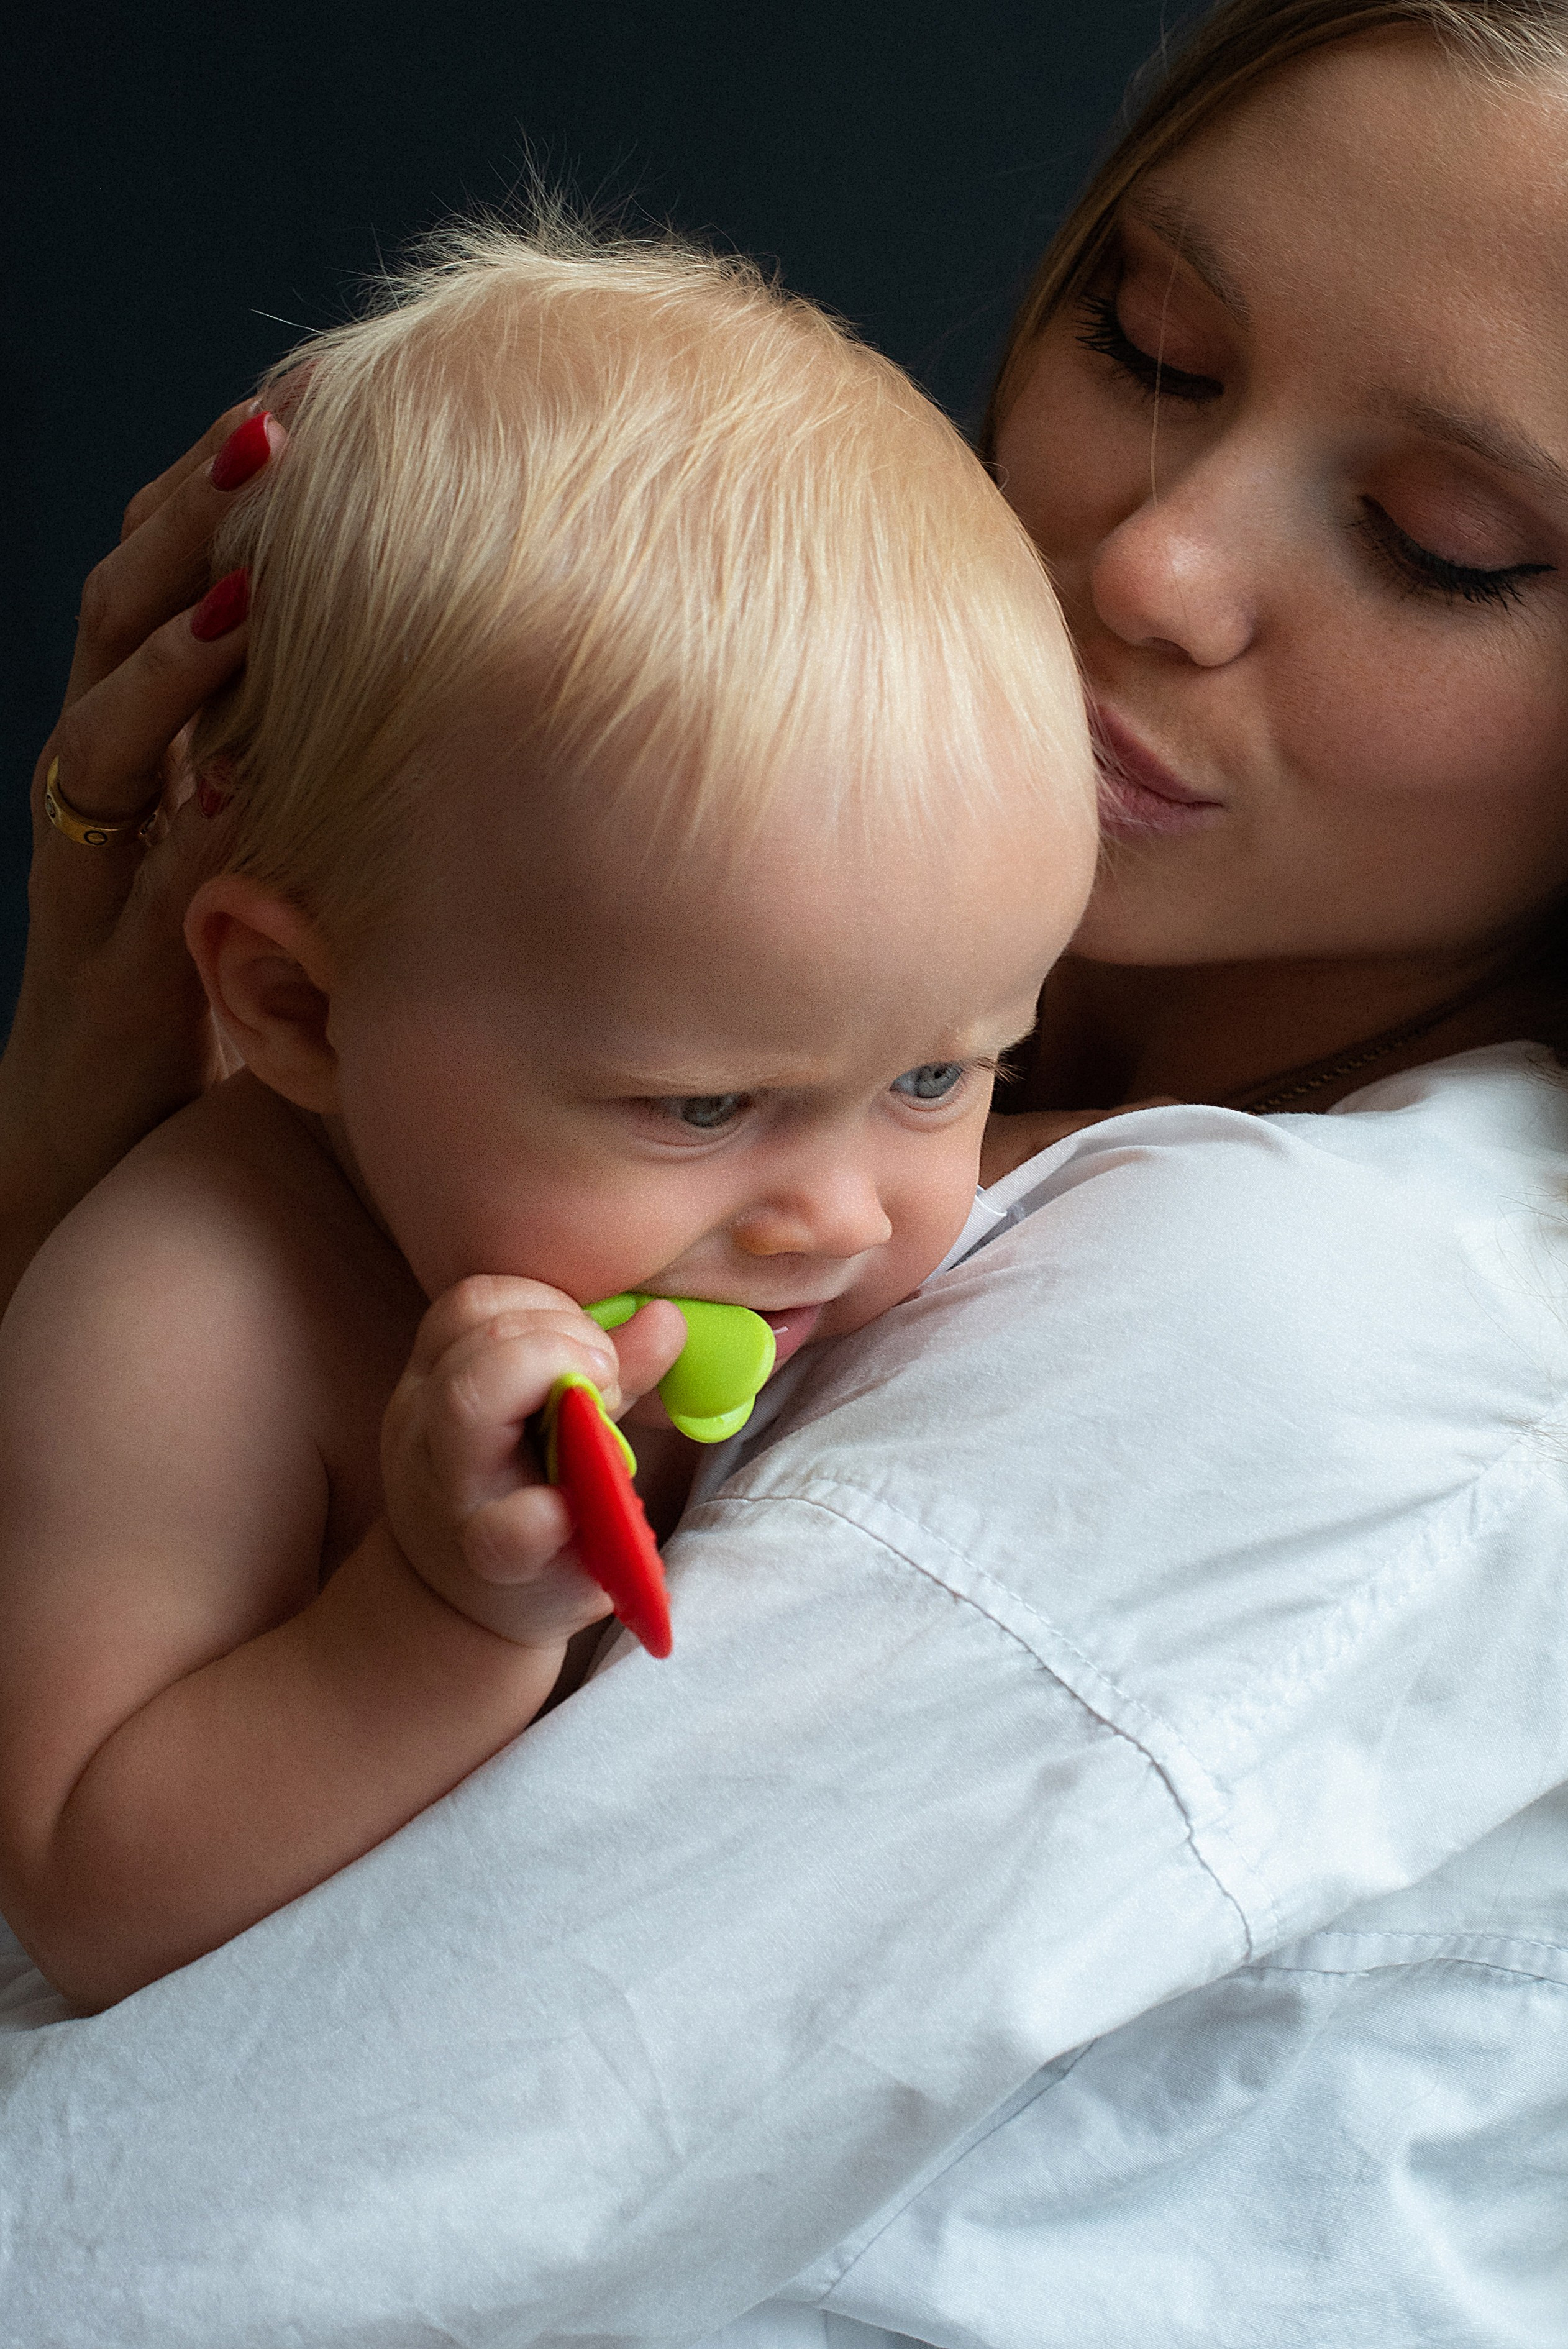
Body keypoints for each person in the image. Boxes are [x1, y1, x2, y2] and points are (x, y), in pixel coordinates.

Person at [1, 1, 1566, 2342]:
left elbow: (172, 2206)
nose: (1143, 570)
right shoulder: (472, 1069)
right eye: (1147, 343)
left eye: (1441, 545)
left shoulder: (1313, 1330)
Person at [0, 223, 1093, 2014]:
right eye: (702, 1101)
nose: (839, 1213)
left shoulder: (773, 1229)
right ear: (292, 1006)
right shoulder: (185, 1315)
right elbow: (84, 1890)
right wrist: (428, 1623)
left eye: (939, 1074)